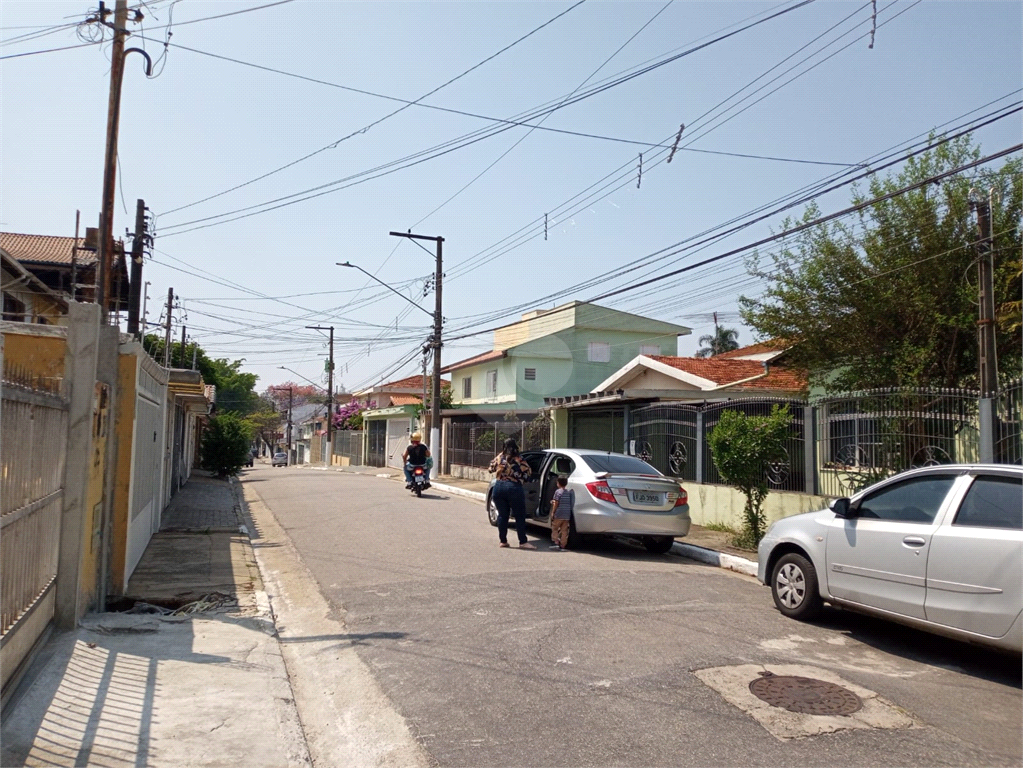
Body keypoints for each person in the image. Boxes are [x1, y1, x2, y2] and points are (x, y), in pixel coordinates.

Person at [488, 438, 535, 549]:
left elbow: (490, 469)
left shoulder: (499, 457)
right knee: (519, 516)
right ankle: (523, 542)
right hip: (514, 488)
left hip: (498, 488)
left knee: (503, 516)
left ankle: (503, 541)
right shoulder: (519, 459)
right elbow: (529, 472)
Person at [549, 474, 574, 550]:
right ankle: (563, 544)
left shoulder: (558, 492)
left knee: (555, 528)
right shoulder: (568, 492)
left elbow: (556, 503)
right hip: (566, 515)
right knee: (564, 530)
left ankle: (556, 541)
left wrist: (553, 512)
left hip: (559, 514)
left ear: (558, 483)